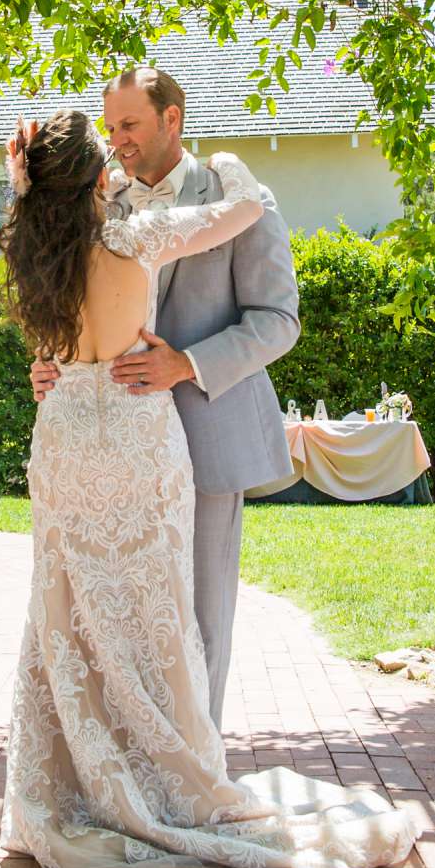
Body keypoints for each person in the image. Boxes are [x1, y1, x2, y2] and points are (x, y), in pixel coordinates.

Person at [1, 110, 416, 868]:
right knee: (154, 611)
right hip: (133, 440)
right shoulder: (133, 240)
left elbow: (44, 316)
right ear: (98, 182)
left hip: (61, 439)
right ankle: (163, 777)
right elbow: (243, 212)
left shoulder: (30, 252)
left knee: (67, 608)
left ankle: (74, 783)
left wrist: (21, 180)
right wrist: (229, 168)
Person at [31, 66, 300, 727]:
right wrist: (48, 363)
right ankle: (132, 769)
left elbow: (278, 319)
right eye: (110, 126)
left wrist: (187, 364)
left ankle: (196, 774)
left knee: (200, 616)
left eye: (130, 125)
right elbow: (62, 300)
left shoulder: (243, 196)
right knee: (115, 619)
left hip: (208, 433)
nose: (116, 140)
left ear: (171, 119)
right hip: (115, 454)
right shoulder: (97, 202)